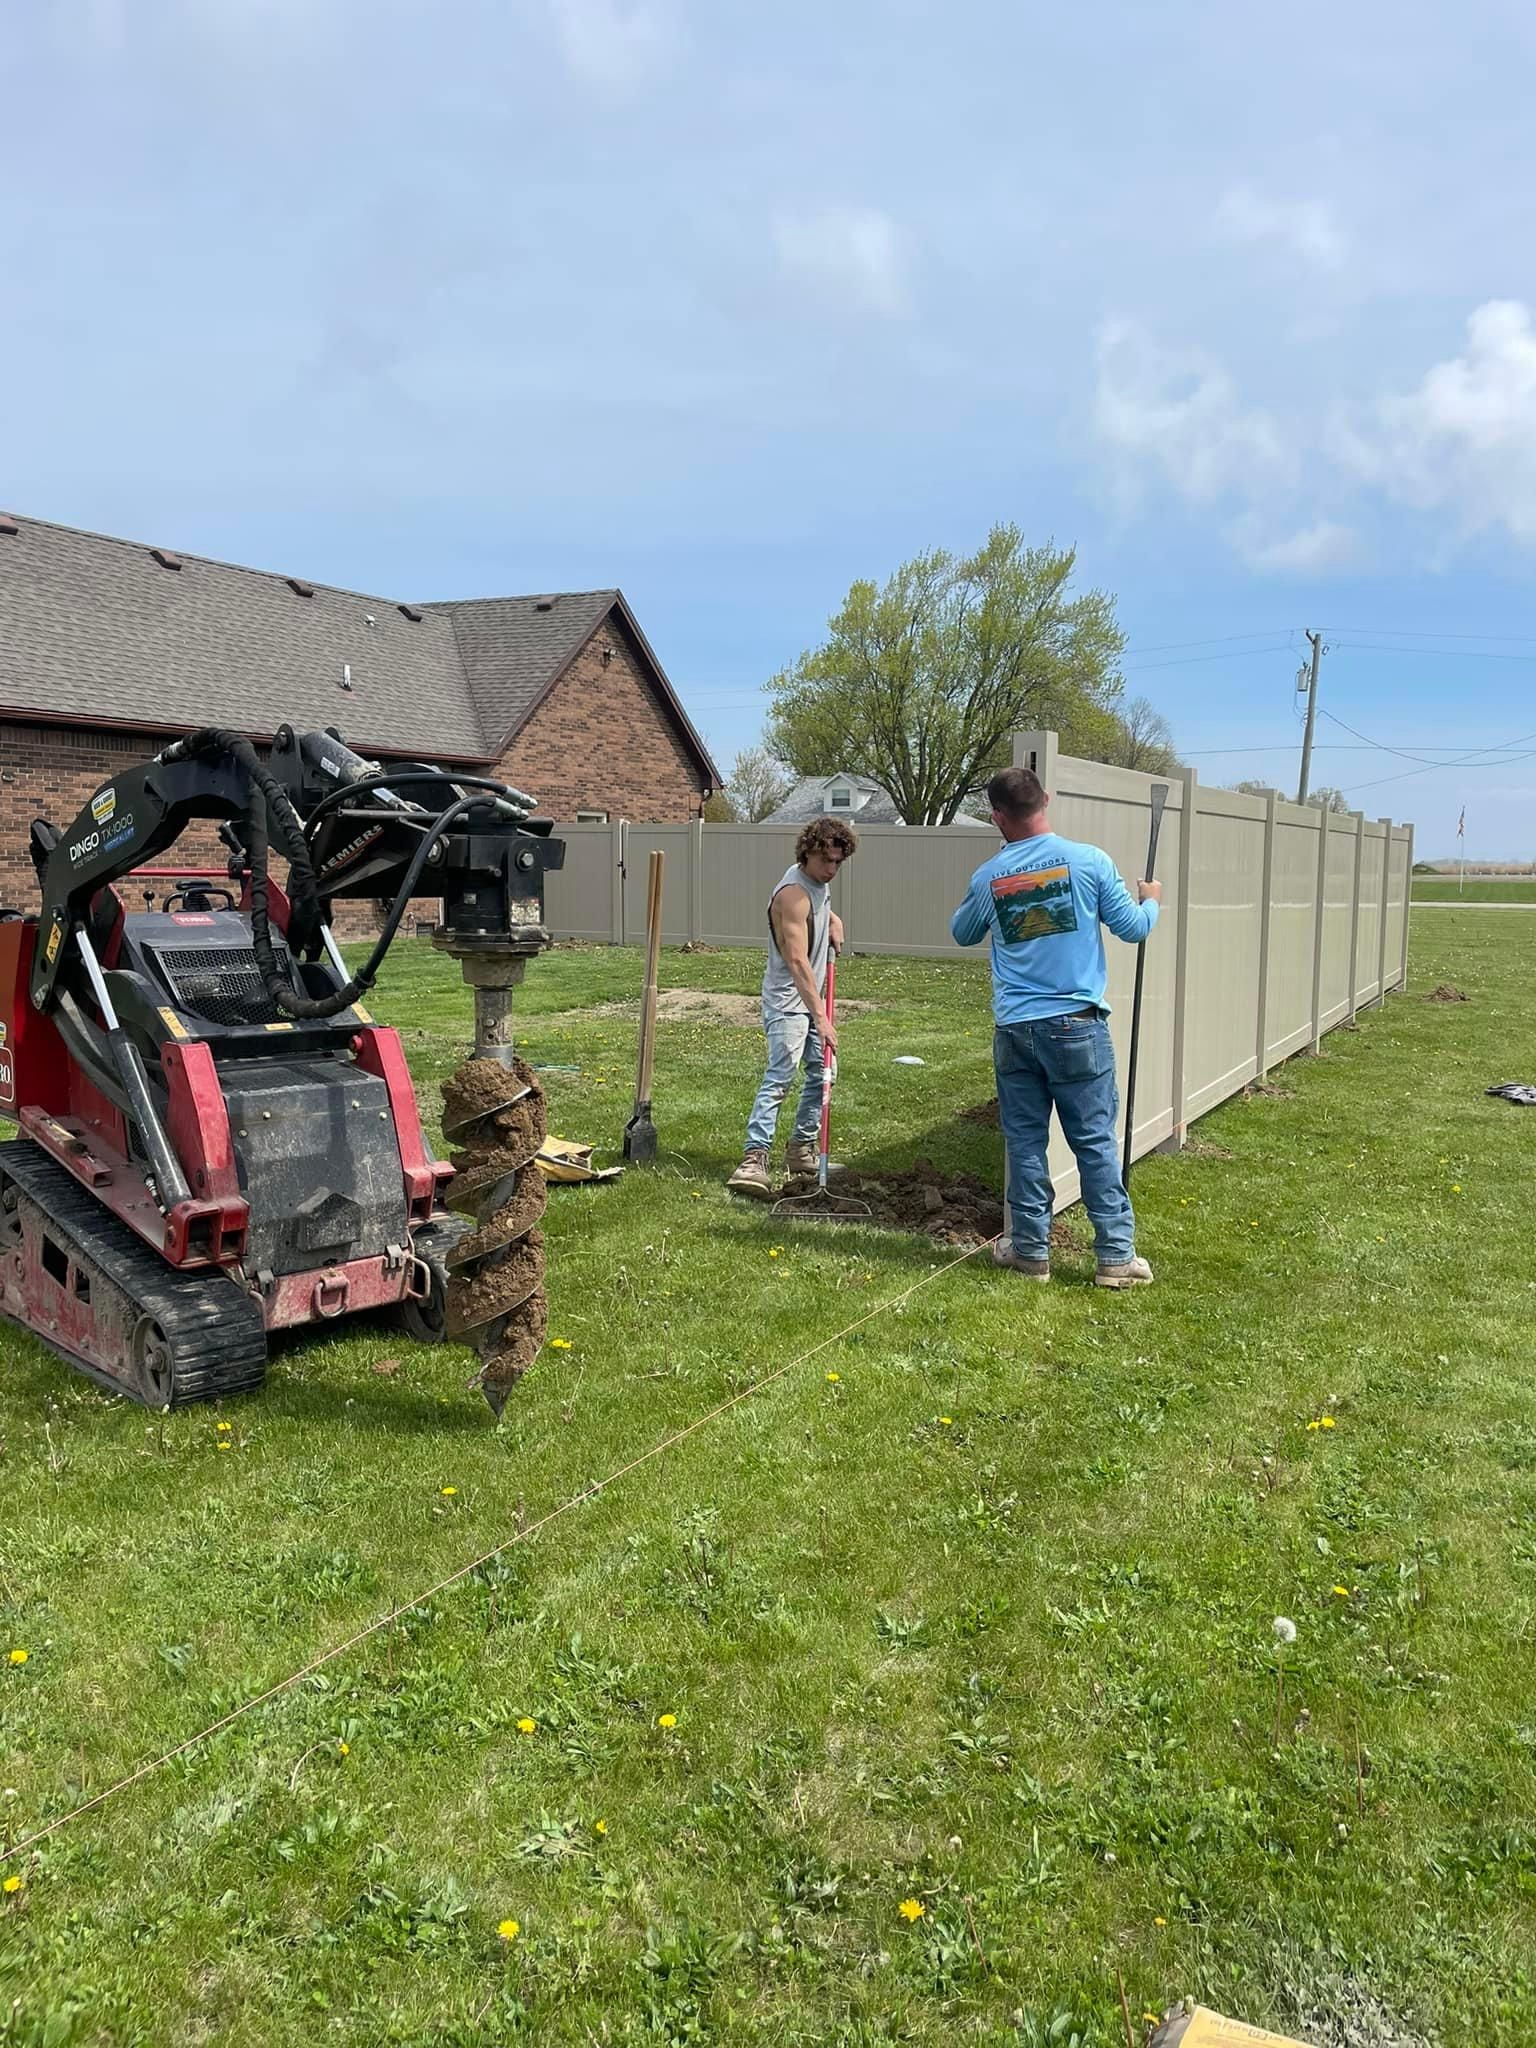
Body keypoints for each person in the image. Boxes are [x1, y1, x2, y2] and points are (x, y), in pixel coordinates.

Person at [950, 765, 1161, 1287]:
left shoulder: (990, 876)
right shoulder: (1088, 861)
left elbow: (962, 932)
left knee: (1023, 1142)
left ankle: (1029, 1251)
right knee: (1092, 1141)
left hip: (1016, 1030)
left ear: (998, 816)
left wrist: (990, 891)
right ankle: (1115, 1259)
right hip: (1076, 1027)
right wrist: (1151, 897)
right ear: (1046, 799)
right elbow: (1133, 928)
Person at [727, 814, 859, 1198]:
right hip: (789, 1000)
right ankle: (753, 1159)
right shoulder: (792, 895)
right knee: (782, 1074)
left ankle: (800, 1150)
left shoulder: (815, 884)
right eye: (826, 861)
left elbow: (817, 905)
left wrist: (833, 918)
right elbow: (797, 960)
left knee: (823, 1072)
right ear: (807, 853)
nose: (832, 869)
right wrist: (821, 1016)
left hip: (810, 995)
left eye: (838, 862)